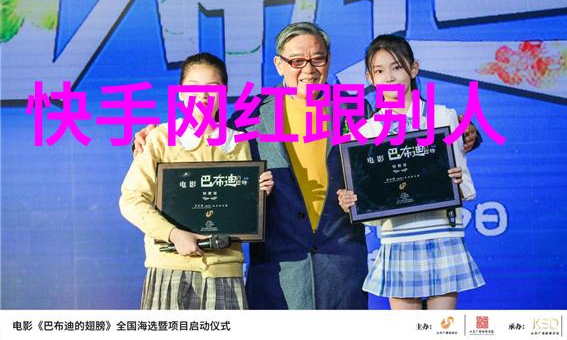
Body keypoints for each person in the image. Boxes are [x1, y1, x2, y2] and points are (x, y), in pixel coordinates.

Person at [133, 22, 481, 309]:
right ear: (279, 65)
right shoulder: (251, 116)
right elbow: (205, 133)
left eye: (317, 59)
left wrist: (465, 134)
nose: (308, 69)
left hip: (342, 265)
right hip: (278, 272)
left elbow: (405, 135)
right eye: (297, 61)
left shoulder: (356, 110)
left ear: (328, 62)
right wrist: (149, 134)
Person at [336, 34, 485, 310]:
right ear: (370, 78)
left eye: (397, 67)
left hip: (443, 235)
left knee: (443, 329)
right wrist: (353, 202)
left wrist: (456, 181)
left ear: (413, 69)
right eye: (379, 71)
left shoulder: (444, 117)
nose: (389, 77)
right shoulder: (366, 132)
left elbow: (464, 183)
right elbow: (369, 203)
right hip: (398, 238)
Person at [119, 52, 274, 310]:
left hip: (224, 269)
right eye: (193, 87)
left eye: (213, 87)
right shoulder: (159, 138)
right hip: (169, 267)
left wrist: (257, 194)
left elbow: (240, 210)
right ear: (180, 93)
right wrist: (173, 234)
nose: (202, 95)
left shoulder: (238, 142)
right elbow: (132, 200)